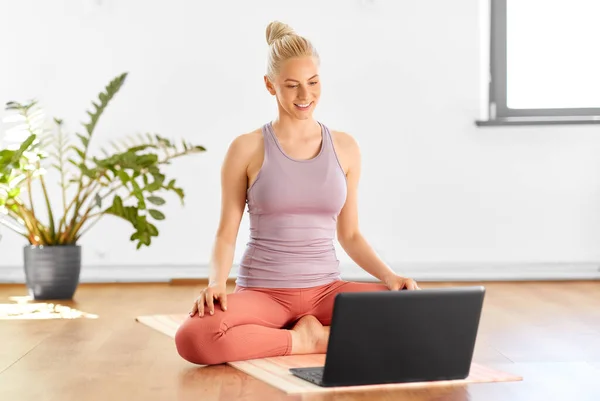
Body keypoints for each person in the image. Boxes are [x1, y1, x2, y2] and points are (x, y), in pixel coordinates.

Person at [174, 21, 420, 366]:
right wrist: (216, 283)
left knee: (417, 310)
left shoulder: (345, 148)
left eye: (313, 83)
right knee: (194, 338)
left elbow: (349, 234)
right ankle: (304, 340)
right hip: (264, 293)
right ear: (270, 85)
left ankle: (310, 335)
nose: (305, 96)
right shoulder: (246, 149)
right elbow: (225, 233)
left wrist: (390, 276)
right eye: (291, 86)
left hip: (326, 292)